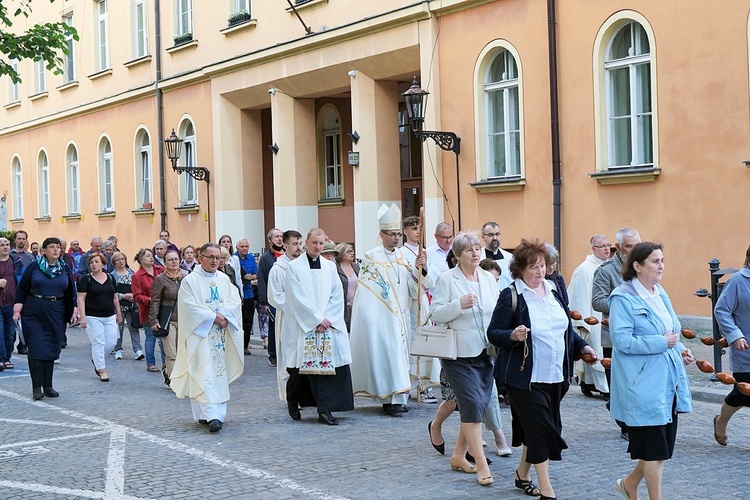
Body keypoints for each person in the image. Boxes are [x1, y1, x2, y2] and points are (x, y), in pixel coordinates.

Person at [487, 239, 596, 500]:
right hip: (524, 378)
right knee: (541, 429)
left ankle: (522, 474)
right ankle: (547, 489)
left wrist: (582, 347)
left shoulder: (555, 288)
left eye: (543, 266)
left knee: (539, 428)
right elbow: (493, 333)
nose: (539, 272)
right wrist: (512, 335)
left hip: (556, 375)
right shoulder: (512, 295)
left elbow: (565, 327)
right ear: (520, 269)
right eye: (533, 267)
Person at [608, 242, 693, 500]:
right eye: (655, 261)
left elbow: (671, 332)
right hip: (642, 385)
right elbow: (622, 342)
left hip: (667, 382)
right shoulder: (622, 298)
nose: (661, 266)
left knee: (659, 448)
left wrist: (680, 348)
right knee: (655, 450)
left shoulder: (659, 292)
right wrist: (662, 342)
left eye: (662, 260)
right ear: (637, 266)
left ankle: (630, 484)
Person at [430, 232, 501, 486]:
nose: (475, 253)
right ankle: (481, 464)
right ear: (457, 255)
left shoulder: (487, 279)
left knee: (478, 405)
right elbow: (435, 312)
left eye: (477, 248)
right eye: (469, 249)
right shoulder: (447, 279)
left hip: (485, 350)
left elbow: (498, 309)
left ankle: (459, 456)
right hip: (457, 353)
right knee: (471, 403)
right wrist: (458, 304)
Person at [349, 203, 432, 416]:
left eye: (398, 235)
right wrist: (375, 317)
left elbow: (414, 289)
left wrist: (419, 268)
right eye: (392, 234)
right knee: (388, 356)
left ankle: (400, 397)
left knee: (400, 356)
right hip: (382, 315)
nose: (396, 238)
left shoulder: (403, 257)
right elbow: (369, 293)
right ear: (382, 234)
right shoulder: (371, 257)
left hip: (402, 315)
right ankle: (390, 399)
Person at [283, 228, 354, 425]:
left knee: (329, 368)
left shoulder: (330, 267)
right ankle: (293, 399)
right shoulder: (295, 267)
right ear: (306, 242)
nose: (318, 247)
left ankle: (325, 409)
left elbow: (337, 294)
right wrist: (315, 319)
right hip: (305, 325)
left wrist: (328, 319)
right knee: (300, 370)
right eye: (314, 243)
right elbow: (296, 298)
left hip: (328, 326)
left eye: (321, 244)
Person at [171, 243, 243, 433]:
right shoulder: (190, 281)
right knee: (204, 371)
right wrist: (214, 317)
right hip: (201, 334)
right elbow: (189, 306)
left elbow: (234, 300)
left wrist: (226, 315)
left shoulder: (224, 279)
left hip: (220, 334)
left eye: (217, 258)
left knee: (216, 372)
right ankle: (212, 416)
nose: (214, 261)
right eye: (210, 257)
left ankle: (210, 415)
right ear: (200, 257)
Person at [592, 227, 641, 440]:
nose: (633, 251)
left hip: (640, 336)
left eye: (637, 246)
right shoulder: (605, 271)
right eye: (629, 246)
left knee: (637, 382)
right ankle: (625, 425)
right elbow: (596, 301)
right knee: (620, 384)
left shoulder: (643, 268)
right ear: (618, 247)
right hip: (614, 337)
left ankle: (634, 418)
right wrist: (623, 302)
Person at [13, 238, 77, 399]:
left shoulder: (65, 268)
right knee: (36, 348)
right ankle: (36, 387)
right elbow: (22, 288)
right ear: (44, 250)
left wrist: (73, 310)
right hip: (34, 311)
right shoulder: (34, 266)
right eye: (51, 247)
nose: (56, 250)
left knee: (51, 347)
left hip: (56, 311)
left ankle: (48, 385)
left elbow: (71, 291)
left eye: (58, 247)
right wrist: (17, 307)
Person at [711, 244, 750, 447]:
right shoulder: (737, 281)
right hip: (745, 348)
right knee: (743, 393)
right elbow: (722, 310)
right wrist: (735, 336)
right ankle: (721, 422)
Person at [402, 216, 439, 403]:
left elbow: (427, 277)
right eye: (414, 228)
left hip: (423, 301)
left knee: (425, 343)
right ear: (405, 232)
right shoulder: (402, 253)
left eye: (419, 228)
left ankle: (424, 386)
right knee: (411, 343)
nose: (418, 232)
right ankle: (410, 385)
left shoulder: (424, 252)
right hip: (408, 303)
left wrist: (423, 267)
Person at [568, 234, 610, 398]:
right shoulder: (584, 269)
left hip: (606, 315)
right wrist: (585, 319)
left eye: (608, 245)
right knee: (595, 350)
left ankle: (591, 384)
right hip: (593, 315)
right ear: (593, 249)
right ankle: (599, 386)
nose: (607, 249)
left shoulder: (610, 267)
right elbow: (578, 296)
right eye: (602, 246)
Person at [268, 230, 304, 400]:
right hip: (288, 318)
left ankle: (304, 394)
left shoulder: (304, 264)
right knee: (288, 355)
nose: (299, 248)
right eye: (295, 244)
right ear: (285, 245)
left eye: (300, 243)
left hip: (305, 318)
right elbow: (276, 296)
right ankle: (290, 395)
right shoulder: (278, 269)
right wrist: (296, 306)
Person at [78, 252, 122, 382]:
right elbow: (81, 299)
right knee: (98, 342)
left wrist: (118, 314)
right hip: (92, 316)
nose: (93, 264)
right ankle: (102, 370)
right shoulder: (86, 279)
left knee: (111, 342)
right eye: (91, 262)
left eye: (96, 262)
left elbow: (115, 297)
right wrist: (83, 317)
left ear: (103, 264)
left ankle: (97, 359)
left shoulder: (111, 278)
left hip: (109, 315)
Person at [149, 250, 187, 386]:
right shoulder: (160, 279)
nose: (174, 262)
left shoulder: (186, 277)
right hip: (168, 320)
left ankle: (172, 373)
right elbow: (154, 300)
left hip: (184, 319)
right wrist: (153, 320)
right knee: (172, 354)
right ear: (165, 263)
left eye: (176, 259)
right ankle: (175, 381)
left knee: (183, 352)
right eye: (170, 260)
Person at [132, 248, 165, 373]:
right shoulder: (137, 276)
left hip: (163, 308)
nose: (151, 258)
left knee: (163, 337)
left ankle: (166, 362)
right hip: (148, 310)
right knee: (150, 336)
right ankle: (150, 363)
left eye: (151, 256)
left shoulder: (160, 270)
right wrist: (150, 300)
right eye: (147, 256)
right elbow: (136, 296)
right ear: (141, 260)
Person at [257, 228, 284, 367]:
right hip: (272, 299)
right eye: (277, 237)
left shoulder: (286, 256)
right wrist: (263, 300)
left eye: (281, 236)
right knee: (274, 326)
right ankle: (273, 354)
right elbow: (261, 279)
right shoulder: (266, 258)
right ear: (270, 240)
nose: (279, 239)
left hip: (286, 297)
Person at [110, 252, 144, 361]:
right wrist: (122, 296)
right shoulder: (112, 276)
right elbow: (111, 292)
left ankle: (138, 350)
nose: (121, 261)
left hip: (132, 305)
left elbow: (138, 287)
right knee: (118, 328)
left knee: (134, 327)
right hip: (119, 306)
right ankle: (118, 349)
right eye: (118, 260)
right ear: (114, 263)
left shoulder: (132, 273)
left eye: (122, 259)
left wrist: (134, 296)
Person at [10, 230, 35, 354]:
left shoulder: (30, 257)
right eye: (19, 238)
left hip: (25, 291)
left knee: (24, 319)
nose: (21, 241)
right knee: (11, 320)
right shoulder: (9, 255)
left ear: (26, 240)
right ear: (15, 240)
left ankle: (22, 344)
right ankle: (10, 343)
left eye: (23, 238)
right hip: (11, 291)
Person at [236, 238, 258, 355]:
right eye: (242, 246)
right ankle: (236, 345)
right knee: (237, 321)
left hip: (249, 292)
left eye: (246, 246)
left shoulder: (250, 258)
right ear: (237, 248)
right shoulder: (234, 258)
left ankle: (245, 345)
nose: (244, 249)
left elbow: (257, 273)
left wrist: (252, 277)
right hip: (237, 293)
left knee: (248, 321)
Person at [0, 237, 19, 370]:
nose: (5, 247)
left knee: (10, 333)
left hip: (12, 302)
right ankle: (1, 359)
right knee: (0, 332)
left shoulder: (16, 261)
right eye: (2, 245)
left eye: (7, 244)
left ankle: (7, 358)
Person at [480, 221, 514, 290]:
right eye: (490, 235)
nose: (495, 238)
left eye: (497, 234)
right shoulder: (478, 257)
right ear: (483, 237)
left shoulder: (509, 257)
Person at [334, 242, 359, 332]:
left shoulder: (356, 267)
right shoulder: (335, 268)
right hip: (343, 306)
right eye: (349, 251)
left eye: (352, 251)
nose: (352, 253)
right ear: (341, 253)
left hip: (355, 305)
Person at [426, 222, 453, 292]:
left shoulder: (456, 250)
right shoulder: (428, 253)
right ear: (436, 236)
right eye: (444, 238)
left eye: (450, 237)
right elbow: (430, 277)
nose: (448, 241)